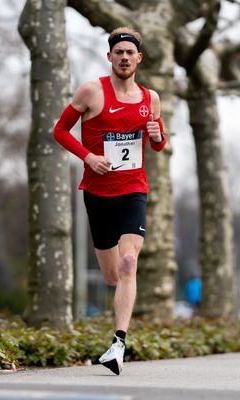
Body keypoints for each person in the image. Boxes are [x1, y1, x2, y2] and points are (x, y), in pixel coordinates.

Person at [52, 27, 167, 375]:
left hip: (134, 190)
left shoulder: (151, 99)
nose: (125, 58)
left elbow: (159, 144)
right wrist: (88, 157)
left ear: (139, 59)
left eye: (130, 53)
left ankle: (118, 344)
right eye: (119, 53)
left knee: (129, 263)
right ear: (110, 57)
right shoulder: (91, 91)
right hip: (98, 193)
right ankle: (117, 320)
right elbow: (59, 131)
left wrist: (158, 136)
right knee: (112, 275)